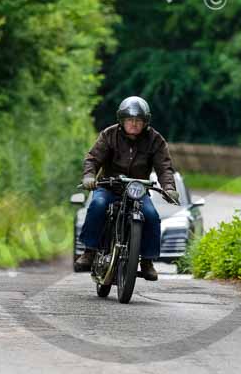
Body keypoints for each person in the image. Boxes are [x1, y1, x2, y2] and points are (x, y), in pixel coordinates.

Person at [75, 96, 179, 281]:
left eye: (138, 120)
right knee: (97, 205)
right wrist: (89, 176)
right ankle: (89, 251)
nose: (134, 124)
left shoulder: (155, 140)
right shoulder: (109, 135)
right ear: (122, 120)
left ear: (145, 122)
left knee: (152, 216)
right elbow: (93, 158)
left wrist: (169, 188)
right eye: (130, 120)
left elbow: (164, 167)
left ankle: (147, 262)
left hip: (137, 191)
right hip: (109, 186)